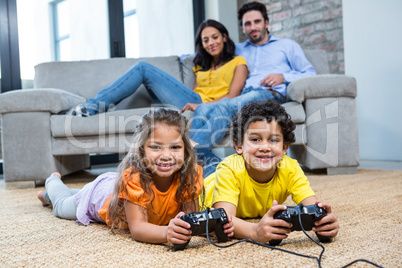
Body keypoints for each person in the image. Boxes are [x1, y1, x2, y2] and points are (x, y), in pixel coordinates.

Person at [37, 108, 233, 245]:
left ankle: (60, 192)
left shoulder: (190, 176)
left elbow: (190, 218)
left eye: (175, 147)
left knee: (76, 193)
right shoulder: (134, 179)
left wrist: (211, 228)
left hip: (115, 188)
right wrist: (167, 232)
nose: (166, 155)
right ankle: (52, 184)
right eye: (156, 147)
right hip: (97, 198)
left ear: (186, 150)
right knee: (62, 205)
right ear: (141, 150)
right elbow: (138, 229)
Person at [190, 1, 316, 161]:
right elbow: (209, 49)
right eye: (247, 24)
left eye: (257, 21)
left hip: (269, 94)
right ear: (243, 28)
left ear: (266, 23)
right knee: (202, 110)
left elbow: (310, 73)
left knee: (225, 106)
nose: (252, 27)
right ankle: (202, 164)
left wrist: (283, 77)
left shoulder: (287, 46)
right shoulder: (237, 49)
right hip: (244, 97)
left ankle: (184, 157)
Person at [202, 100, 339, 244]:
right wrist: (255, 231)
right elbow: (224, 221)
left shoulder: (290, 167)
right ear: (239, 145)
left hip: (234, 166)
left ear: (285, 147)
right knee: (197, 155)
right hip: (209, 179)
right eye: (255, 139)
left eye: (273, 140)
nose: (265, 147)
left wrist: (324, 222)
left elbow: (313, 208)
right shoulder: (228, 169)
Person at [67, 19, 248, 117]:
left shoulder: (238, 62)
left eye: (215, 37)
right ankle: (91, 107)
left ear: (224, 37)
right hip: (191, 100)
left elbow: (233, 97)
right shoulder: (201, 65)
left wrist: (200, 106)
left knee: (143, 69)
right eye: (205, 40)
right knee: (144, 73)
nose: (211, 43)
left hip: (203, 105)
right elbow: (193, 92)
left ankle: (90, 107)